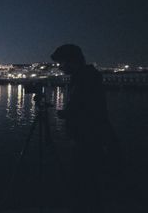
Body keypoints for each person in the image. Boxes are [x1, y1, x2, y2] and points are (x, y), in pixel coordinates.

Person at [51, 44, 120, 213]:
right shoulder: (86, 76)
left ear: (71, 61)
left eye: (61, 63)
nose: (60, 67)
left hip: (88, 140)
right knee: (89, 183)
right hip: (89, 138)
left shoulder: (85, 79)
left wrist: (64, 114)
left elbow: (82, 108)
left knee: (85, 182)